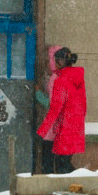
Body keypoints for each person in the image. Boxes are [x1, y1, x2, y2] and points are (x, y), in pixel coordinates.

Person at [36, 47, 86, 174]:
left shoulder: (60, 80)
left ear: (60, 61)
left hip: (63, 130)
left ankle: (84, 179)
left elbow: (55, 109)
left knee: (59, 168)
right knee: (64, 165)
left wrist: (41, 132)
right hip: (75, 129)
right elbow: (83, 107)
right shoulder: (78, 78)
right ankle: (83, 177)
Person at [36, 45, 61, 174]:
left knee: (49, 163)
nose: (46, 64)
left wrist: (38, 94)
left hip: (53, 130)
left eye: (48, 60)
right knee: (60, 163)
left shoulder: (56, 78)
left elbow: (52, 104)